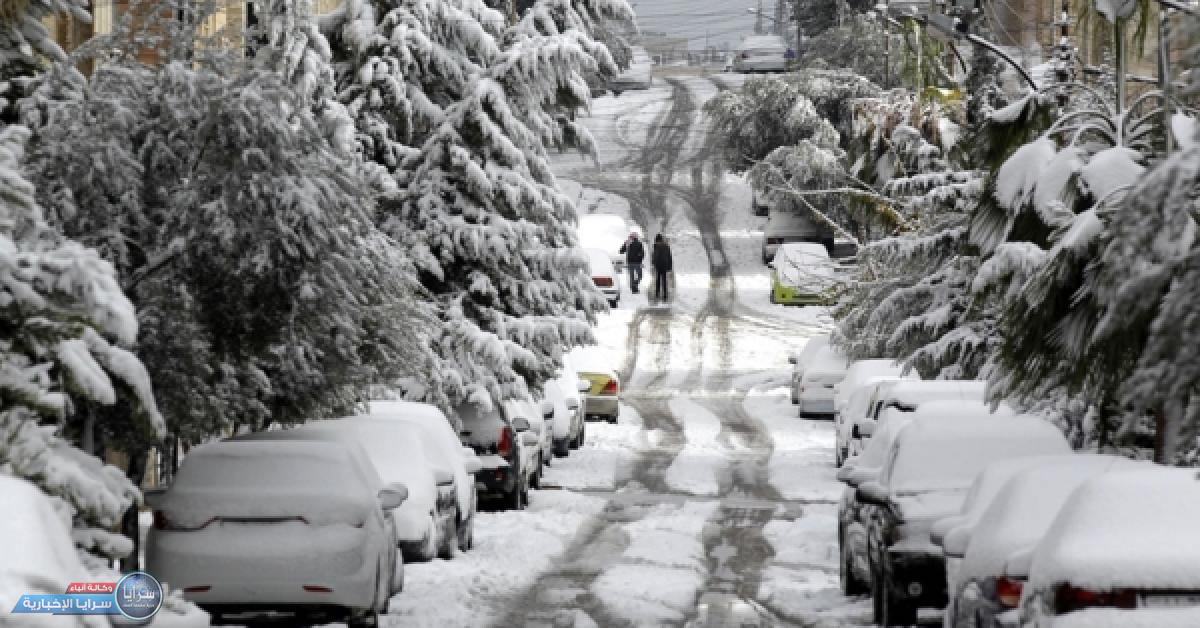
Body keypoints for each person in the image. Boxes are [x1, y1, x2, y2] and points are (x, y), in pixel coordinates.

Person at [651, 233, 673, 302]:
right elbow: (669, 257)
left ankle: (657, 294)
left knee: (658, 280)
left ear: (657, 240)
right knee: (664, 280)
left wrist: (653, 263)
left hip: (658, 265)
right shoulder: (666, 246)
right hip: (665, 265)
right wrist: (670, 266)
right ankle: (665, 295)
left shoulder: (656, 246)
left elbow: (655, 256)